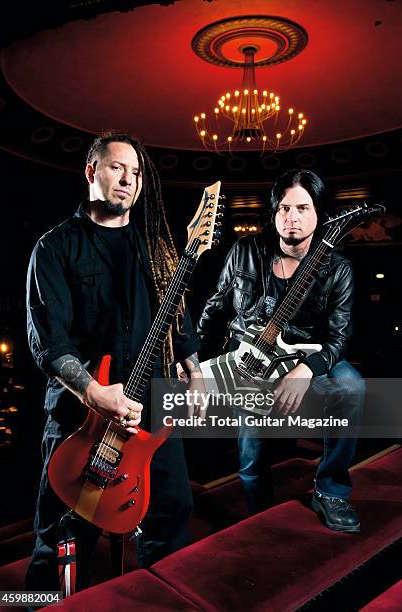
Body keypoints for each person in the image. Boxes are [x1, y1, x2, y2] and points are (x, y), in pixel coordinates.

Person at [26, 132, 203, 591]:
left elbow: (174, 309)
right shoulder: (54, 248)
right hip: (80, 415)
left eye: (137, 172)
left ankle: (157, 598)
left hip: (153, 411)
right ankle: (40, 602)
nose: (129, 179)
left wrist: (194, 365)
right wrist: (93, 392)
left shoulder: (153, 245)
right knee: (62, 536)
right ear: (91, 172)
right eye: (117, 167)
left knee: (171, 517)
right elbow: (48, 341)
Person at [198, 169, 365, 533]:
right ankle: (260, 514)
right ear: (274, 214)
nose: (292, 217)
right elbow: (214, 309)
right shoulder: (244, 252)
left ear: (319, 213)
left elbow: (339, 339)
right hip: (251, 356)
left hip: (306, 356)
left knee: (352, 386)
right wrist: (194, 361)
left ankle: (331, 490)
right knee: (250, 450)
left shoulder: (338, 269)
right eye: (285, 208)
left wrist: (305, 370)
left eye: (303, 208)